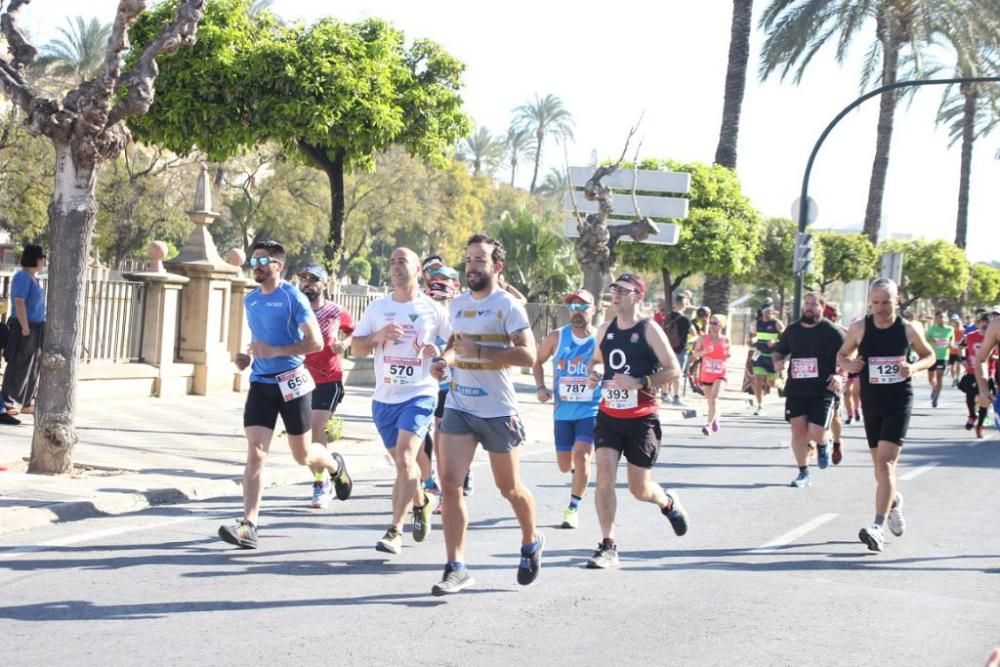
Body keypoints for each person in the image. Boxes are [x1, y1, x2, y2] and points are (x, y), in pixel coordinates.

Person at [218, 240, 351, 549]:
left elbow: (315, 342)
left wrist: (275, 351)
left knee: (303, 455)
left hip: (292, 382)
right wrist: (248, 357)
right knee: (256, 452)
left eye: (263, 261)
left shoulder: (292, 297)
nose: (257, 266)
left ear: (278, 266)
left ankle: (334, 466)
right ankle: (249, 524)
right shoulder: (250, 300)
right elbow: (259, 338)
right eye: (254, 260)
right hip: (262, 383)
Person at [429, 233, 542, 595]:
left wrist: (482, 352)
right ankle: (456, 565)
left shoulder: (507, 306)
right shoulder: (458, 304)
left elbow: (529, 355)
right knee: (449, 486)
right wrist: (442, 363)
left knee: (509, 488)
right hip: (460, 405)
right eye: (469, 259)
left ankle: (531, 540)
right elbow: (454, 344)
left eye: (480, 259)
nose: (472, 265)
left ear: (497, 265)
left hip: (497, 411)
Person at [582, 272, 689, 569]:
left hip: (642, 418)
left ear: (638, 296)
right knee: (603, 479)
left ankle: (667, 502)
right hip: (608, 415)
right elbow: (596, 360)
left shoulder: (649, 329)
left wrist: (640, 381)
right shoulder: (605, 329)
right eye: (614, 289)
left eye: (623, 290)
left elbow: (673, 370)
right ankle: (608, 545)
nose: (615, 294)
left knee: (639, 489)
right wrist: (594, 372)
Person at [352, 247, 451, 555]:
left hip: (420, 393)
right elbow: (355, 348)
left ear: (418, 269)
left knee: (407, 459)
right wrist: (376, 337)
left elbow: (454, 342)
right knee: (403, 464)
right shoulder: (378, 308)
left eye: (402, 261)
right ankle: (422, 501)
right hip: (384, 399)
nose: (395, 266)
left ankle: (394, 530)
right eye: (392, 261)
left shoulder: (433, 309)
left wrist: (442, 358)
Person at [838, 277, 935, 552]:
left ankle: (877, 527)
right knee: (879, 470)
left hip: (898, 401)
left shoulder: (908, 329)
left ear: (897, 300)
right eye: (876, 302)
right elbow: (841, 356)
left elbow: (930, 357)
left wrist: (913, 368)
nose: (880, 308)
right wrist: (850, 363)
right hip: (872, 401)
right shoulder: (860, 328)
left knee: (886, 464)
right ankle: (893, 502)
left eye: (886, 302)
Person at [533, 288, 601, 529]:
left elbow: (611, 364)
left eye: (583, 306)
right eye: (573, 306)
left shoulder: (600, 339)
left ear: (593, 310)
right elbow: (537, 361)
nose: (577, 311)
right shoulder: (556, 337)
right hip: (562, 412)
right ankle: (577, 478)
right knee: (565, 465)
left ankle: (572, 507)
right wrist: (541, 387)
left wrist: (599, 372)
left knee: (583, 456)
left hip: (591, 409)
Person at [772, 292, 846, 487]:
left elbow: (849, 353)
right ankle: (803, 473)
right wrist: (778, 362)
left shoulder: (831, 331)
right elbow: (780, 351)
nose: (809, 307)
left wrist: (840, 374)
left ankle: (824, 444)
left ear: (822, 307)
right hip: (797, 388)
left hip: (823, 389)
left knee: (816, 431)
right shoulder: (793, 330)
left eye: (814, 304)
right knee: (797, 430)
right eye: (807, 303)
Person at [298, 263, 356, 509]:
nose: (307, 284)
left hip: (329, 380)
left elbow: (354, 331)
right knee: (308, 437)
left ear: (324, 285)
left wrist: (345, 343)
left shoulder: (336, 311)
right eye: (303, 280)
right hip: (301, 380)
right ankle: (333, 467)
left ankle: (320, 483)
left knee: (315, 431)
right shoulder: (296, 310)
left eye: (313, 280)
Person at [2, 244, 46, 416]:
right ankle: (8, 401)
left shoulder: (34, 278)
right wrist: (25, 327)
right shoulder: (22, 277)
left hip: (36, 327)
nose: (44, 261)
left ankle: (27, 402)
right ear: (36, 259)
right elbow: (19, 302)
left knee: (33, 366)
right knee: (18, 364)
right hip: (23, 326)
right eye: (42, 257)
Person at [690, 314, 730, 435]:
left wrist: (725, 355)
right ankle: (716, 418)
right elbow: (695, 354)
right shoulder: (703, 339)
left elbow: (729, 355)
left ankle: (708, 425)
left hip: (720, 374)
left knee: (714, 399)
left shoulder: (726, 339)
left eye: (715, 323)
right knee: (710, 401)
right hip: (706, 374)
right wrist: (704, 352)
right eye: (710, 323)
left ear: (721, 326)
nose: (711, 326)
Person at [959, 313, 995, 438]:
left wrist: (994, 357)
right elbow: (960, 346)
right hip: (971, 371)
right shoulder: (969, 336)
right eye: (982, 323)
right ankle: (972, 415)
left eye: (987, 323)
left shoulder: (994, 338)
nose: (985, 325)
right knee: (970, 396)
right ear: (977, 324)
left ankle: (980, 426)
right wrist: (962, 358)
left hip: (987, 373)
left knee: (984, 400)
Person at [748, 301, 785, 415]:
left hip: (773, 357)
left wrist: (776, 341)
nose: (768, 314)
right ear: (762, 312)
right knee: (758, 379)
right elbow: (754, 337)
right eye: (766, 312)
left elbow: (786, 338)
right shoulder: (756, 323)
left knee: (771, 383)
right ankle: (760, 406)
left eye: (770, 311)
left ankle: (780, 385)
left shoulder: (777, 323)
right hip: (760, 355)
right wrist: (751, 341)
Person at [663, 292, 692, 405]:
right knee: (677, 373)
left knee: (667, 372)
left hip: (667, 348)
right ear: (684, 304)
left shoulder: (668, 316)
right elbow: (693, 332)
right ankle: (676, 396)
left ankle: (665, 394)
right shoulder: (685, 319)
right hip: (680, 349)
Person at [924, 311, 952, 408]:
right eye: (940, 317)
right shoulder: (931, 329)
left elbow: (951, 339)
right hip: (932, 356)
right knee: (931, 379)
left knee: (939, 377)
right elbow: (925, 339)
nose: (942, 319)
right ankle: (934, 388)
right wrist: (933, 340)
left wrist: (950, 344)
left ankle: (936, 397)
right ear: (936, 318)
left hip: (943, 357)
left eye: (943, 317)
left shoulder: (950, 329)